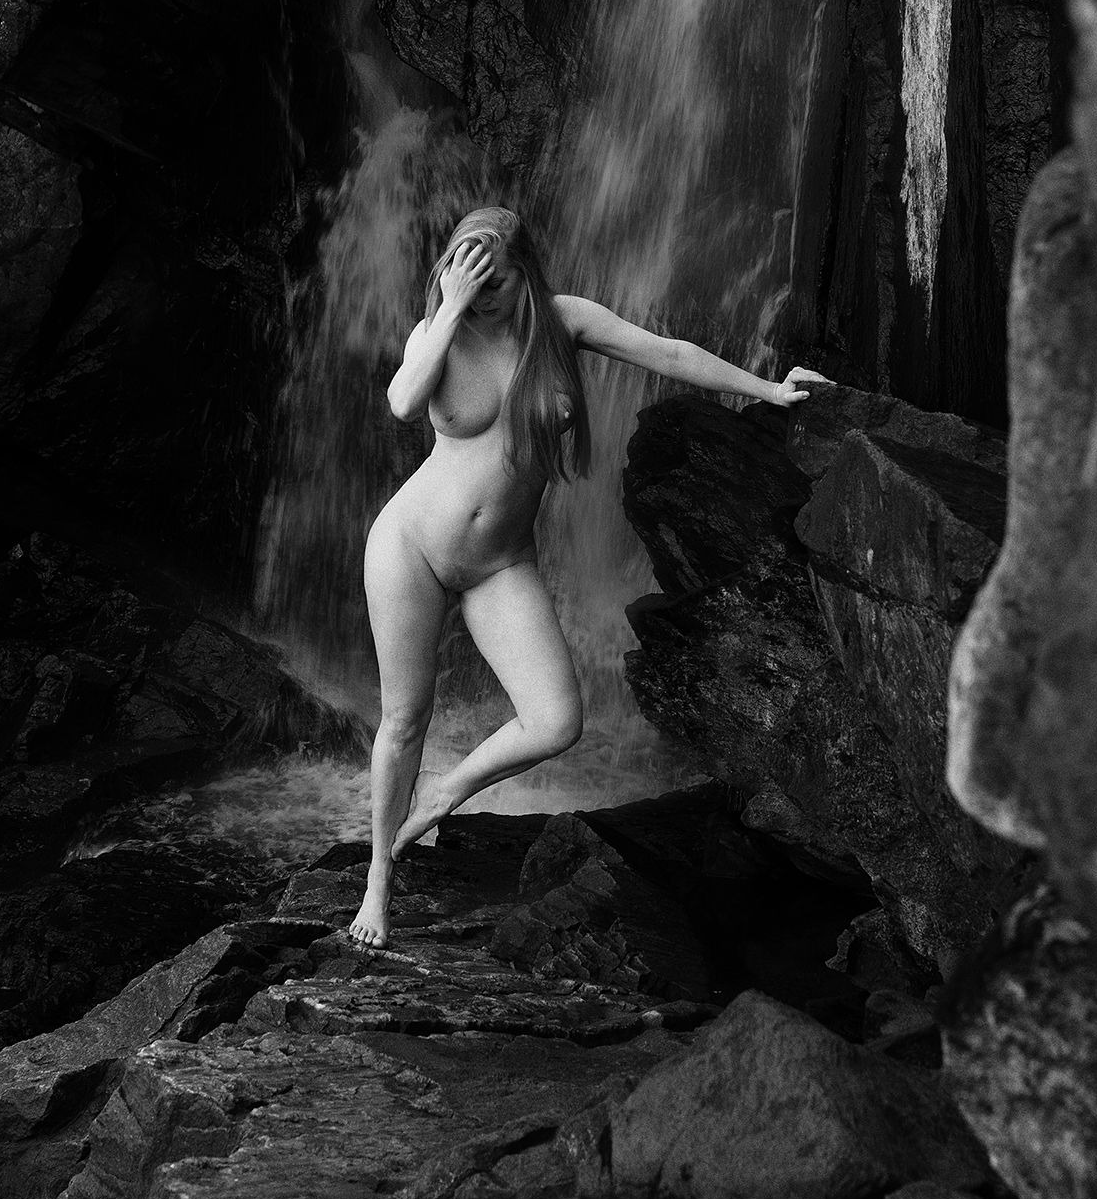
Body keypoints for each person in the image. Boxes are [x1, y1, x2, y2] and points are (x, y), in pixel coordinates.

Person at [348, 205, 828, 949]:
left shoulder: (564, 322)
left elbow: (667, 352)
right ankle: (378, 879)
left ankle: (446, 790)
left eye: (496, 284)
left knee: (555, 721)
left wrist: (768, 390)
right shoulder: (438, 331)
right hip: (410, 547)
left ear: (527, 273)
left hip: (500, 564)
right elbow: (404, 401)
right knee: (405, 719)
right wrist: (449, 309)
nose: (485, 299)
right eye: (470, 283)